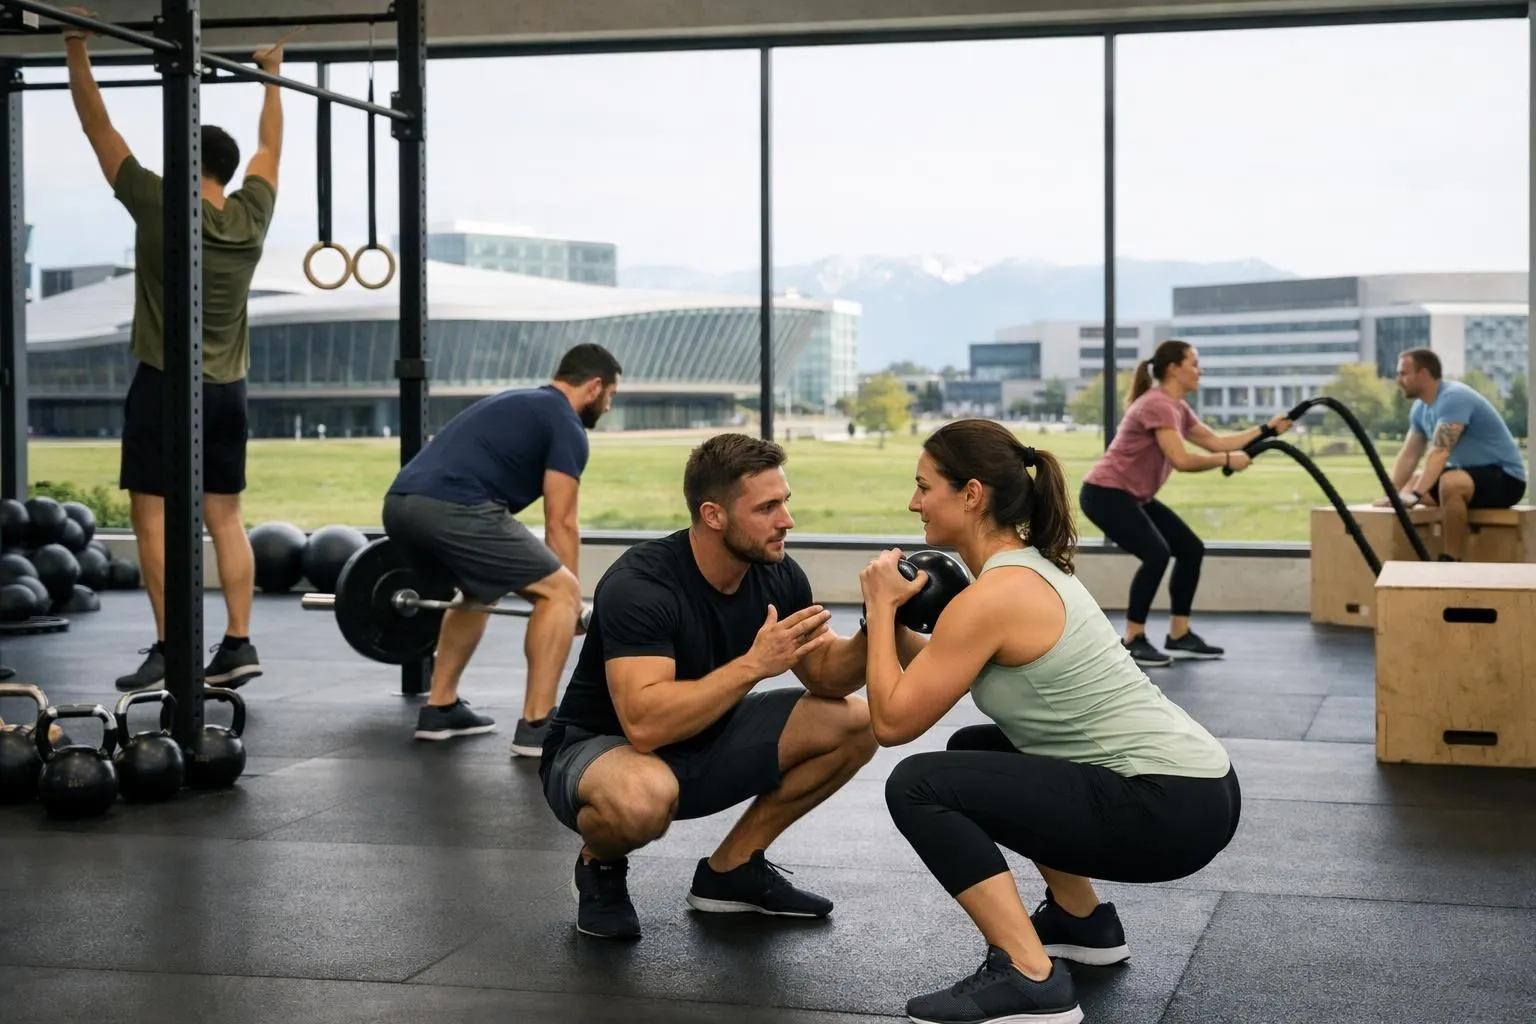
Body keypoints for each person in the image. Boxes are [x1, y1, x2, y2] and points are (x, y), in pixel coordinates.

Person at [861, 418, 1242, 1024]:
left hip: (1167, 807)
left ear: (972, 494)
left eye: (923, 486)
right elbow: (934, 671)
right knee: (976, 746)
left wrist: (880, 609)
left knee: (916, 784)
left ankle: (1028, 974)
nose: (914, 503)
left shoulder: (994, 597)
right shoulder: (1030, 569)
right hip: (1200, 787)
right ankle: (1081, 920)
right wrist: (887, 630)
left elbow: (891, 723)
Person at [539, 432, 888, 940]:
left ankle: (732, 870)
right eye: (767, 508)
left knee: (854, 723)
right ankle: (601, 864)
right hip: (600, 751)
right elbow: (645, 725)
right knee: (642, 798)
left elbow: (826, 675)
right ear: (713, 515)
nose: (786, 520)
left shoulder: (776, 574)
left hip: (703, 736)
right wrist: (753, 665)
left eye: (785, 502)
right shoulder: (642, 585)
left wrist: (878, 624)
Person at [63, 15, 286, 692]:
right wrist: (270, 74)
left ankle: (170, 647)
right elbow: (269, 148)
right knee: (226, 518)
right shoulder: (251, 216)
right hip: (229, 389)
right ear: (225, 168)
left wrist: (75, 49)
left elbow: (98, 130)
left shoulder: (161, 204)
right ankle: (239, 641)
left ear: (189, 163)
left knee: (153, 516)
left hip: (166, 385)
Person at [383, 344, 622, 751]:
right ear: (594, 386)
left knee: (479, 589)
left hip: (399, 505)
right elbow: (560, 522)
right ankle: (538, 726)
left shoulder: (519, 399)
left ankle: (439, 708)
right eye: (610, 397)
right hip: (454, 508)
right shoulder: (566, 424)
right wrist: (567, 603)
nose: (607, 408)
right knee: (560, 592)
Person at [1079, 340, 1291, 668]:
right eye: (1194, 363)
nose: (1199, 370)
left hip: (1132, 495)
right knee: (1156, 553)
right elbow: (1181, 459)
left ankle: (1179, 634)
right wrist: (1226, 460)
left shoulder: (1176, 407)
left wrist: (1267, 429)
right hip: (1105, 493)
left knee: (1190, 548)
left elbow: (1216, 441)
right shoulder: (1157, 404)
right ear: (1174, 368)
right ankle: (1134, 639)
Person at [1376, 348, 1527, 560]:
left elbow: (1440, 452)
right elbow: (1410, 454)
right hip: (1468, 477)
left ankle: (1450, 558)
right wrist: (1393, 493)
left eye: (1403, 373)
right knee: (1412, 483)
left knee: (1450, 483)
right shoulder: (1420, 408)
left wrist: (1417, 495)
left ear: (1423, 374)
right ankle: (1406, 558)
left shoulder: (1454, 398)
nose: (1398, 379)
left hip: (1505, 478)